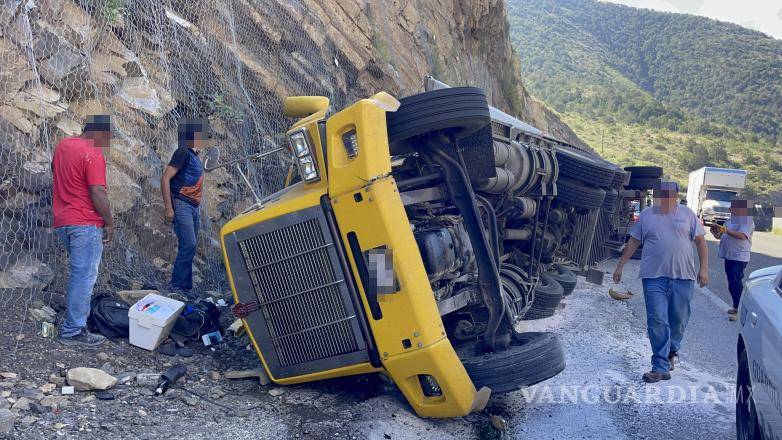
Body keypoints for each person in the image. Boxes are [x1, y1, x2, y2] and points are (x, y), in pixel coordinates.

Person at [613, 180, 709, 383]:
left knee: (678, 320)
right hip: (653, 276)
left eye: (667, 196)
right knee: (657, 319)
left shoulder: (688, 214)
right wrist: (620, 266)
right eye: (660, 196)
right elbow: (634, 241)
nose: (663, 199)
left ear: (675, 196)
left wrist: (704, 269)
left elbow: (700, 242)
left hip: (683, 276)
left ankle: (672, 350)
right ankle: (660, 365)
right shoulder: (647, 214)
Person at [52, 115, 114, 346]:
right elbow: (97, 192)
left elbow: (56, 174)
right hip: (85, 223)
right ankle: (73, 330)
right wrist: (109, 222)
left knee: (79, 273)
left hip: (64, 221)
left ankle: (74, 321)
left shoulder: (63, 146)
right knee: (84, 276)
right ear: (99, 133)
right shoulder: (93, 152)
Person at [160, 119, 209, 297]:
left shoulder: (194, 156)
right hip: (182, 204)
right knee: (188, 244)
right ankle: (176, 286)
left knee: (190, 246)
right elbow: (165, 178)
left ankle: (185, 288)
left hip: (192, 207)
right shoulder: (183, 152)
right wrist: (168, 208)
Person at [711, 199, 754, 321]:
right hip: (729, 255)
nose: (730, 210)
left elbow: (742, 236)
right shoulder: (730, 220)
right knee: (731, 283)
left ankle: (740, 311)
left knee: (735, 283)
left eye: (732, 208)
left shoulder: (746, 220)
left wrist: (725, 230)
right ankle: (736, 306)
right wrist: (716, 233)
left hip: (739, 257)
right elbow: (722, 235)